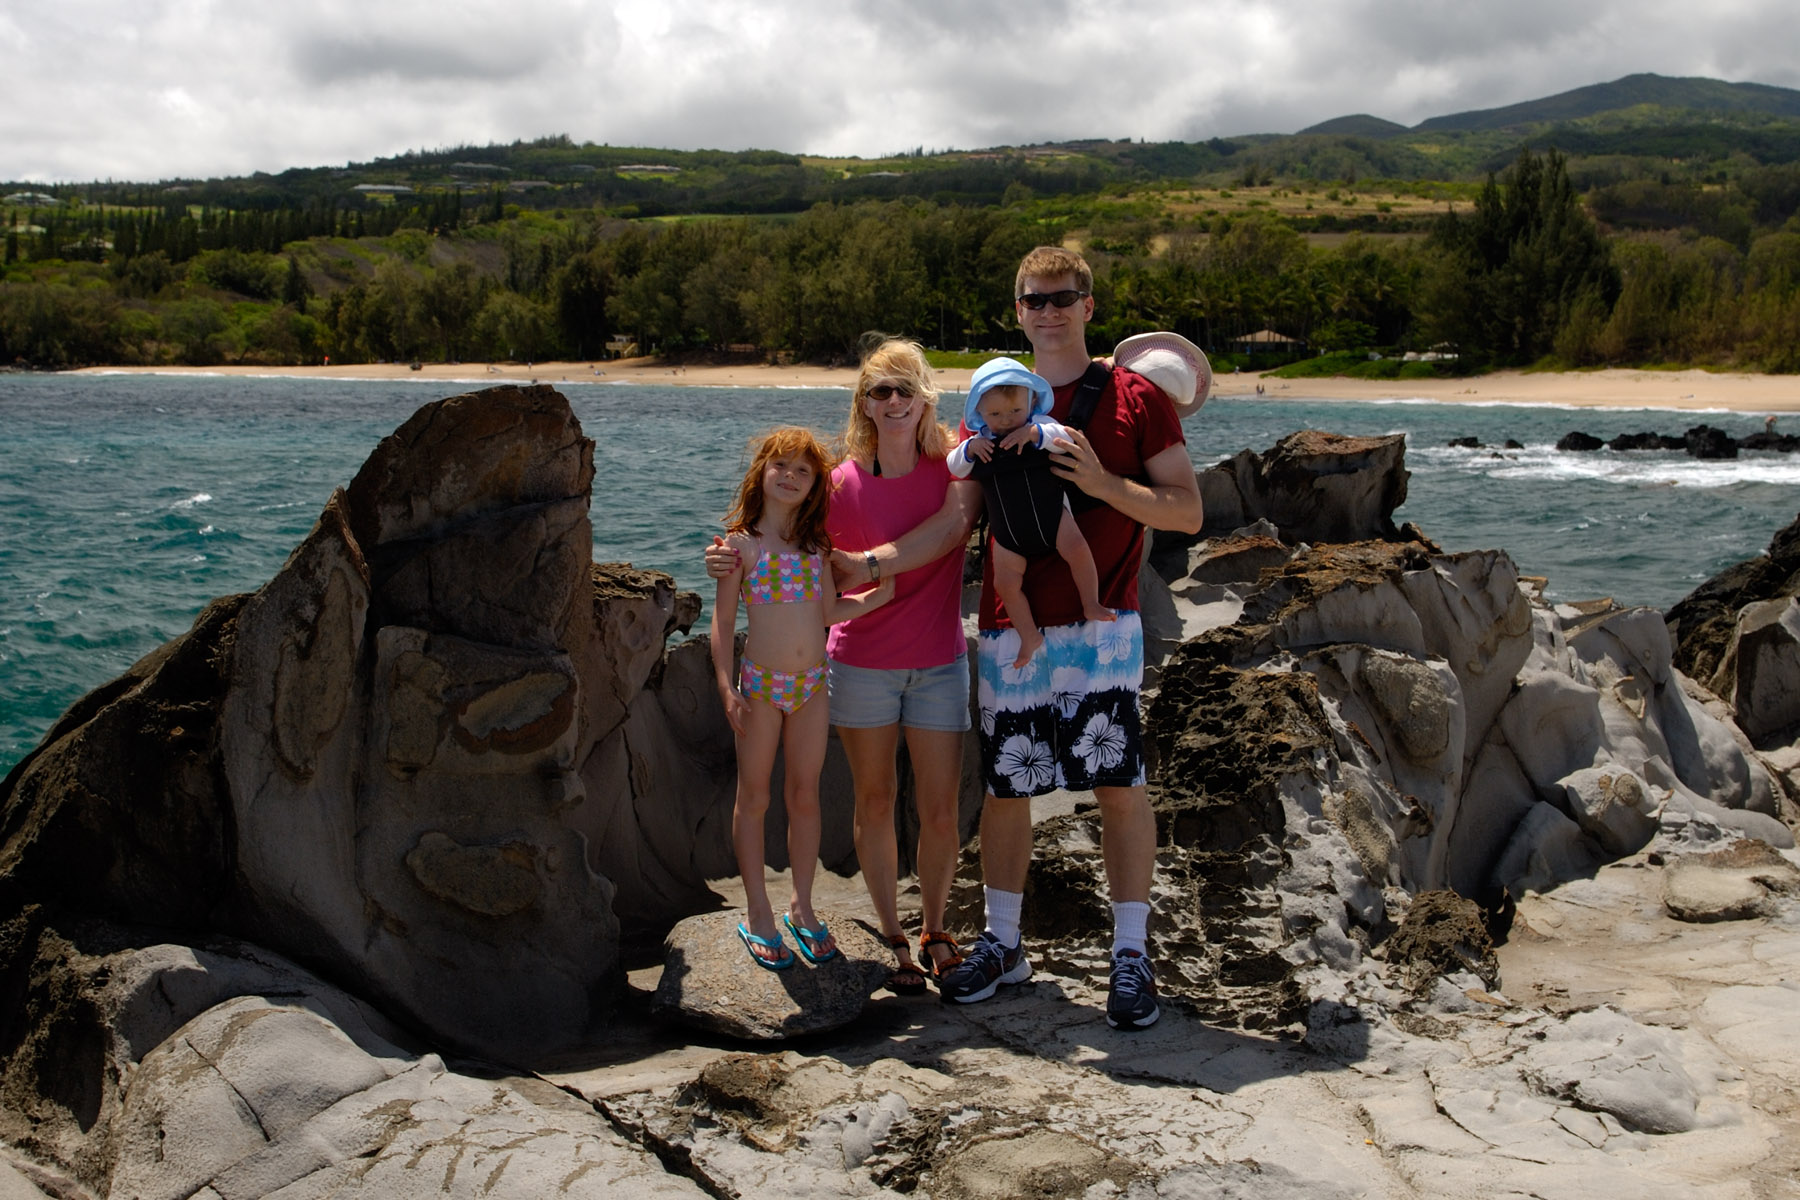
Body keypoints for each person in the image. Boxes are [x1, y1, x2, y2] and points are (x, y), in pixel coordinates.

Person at [933, 246, 1205, 1030]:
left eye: (1063, 297)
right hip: (1011, 629)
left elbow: (1187, 510)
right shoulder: (993, 397)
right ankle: (1004, 943)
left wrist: (1100, 483)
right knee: (1008, 788)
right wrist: (861, 565)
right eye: (1034, 299)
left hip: (1101, 626)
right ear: (1017, 310)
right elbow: (959, 517)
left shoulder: (1135, 398)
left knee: (1117, 784)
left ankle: (1131, 954)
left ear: (1088, 305)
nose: (1048, 311)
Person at [706, 338, 978, 995]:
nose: (893, 401)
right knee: (855, 800)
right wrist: (723, 557)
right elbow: (772, 545)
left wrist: (875, 573)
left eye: (905, 389)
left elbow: (950, 528)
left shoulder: (953, 469)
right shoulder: (831, 487)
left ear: (925, 398)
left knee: (923, 809)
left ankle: (917, 926)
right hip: (844, 668)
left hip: (927, 663)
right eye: (880, 390)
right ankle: (867, 930)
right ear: (864, 402)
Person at [710, 426, 895, 970]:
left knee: (805, 795)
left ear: (816, 485)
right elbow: (723, 622)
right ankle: (758, 910)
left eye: (804, 471)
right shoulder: (740, 546)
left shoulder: (818, 549)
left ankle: (802, 905)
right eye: (780, 466)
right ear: (761, 473)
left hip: (812, 685)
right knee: (754, 797)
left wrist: (878, 595)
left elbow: (829, 613)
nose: (790, 476)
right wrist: (725, 685)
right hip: (760, 687)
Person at [948, 357, 1112, 668]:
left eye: (1015, 411)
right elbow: (954, 466)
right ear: (979, 413)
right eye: (995, 414)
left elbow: (1064, 440)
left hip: (1053, 518)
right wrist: (968, 449)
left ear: (1031, 402)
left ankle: (1090, 602)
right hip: (1008, 534)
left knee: (1078, 550)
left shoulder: (1041, 425)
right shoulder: (979, 441)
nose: (1007, 421)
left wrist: (1035, 434)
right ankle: (1029, 635)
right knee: (1006, 585)